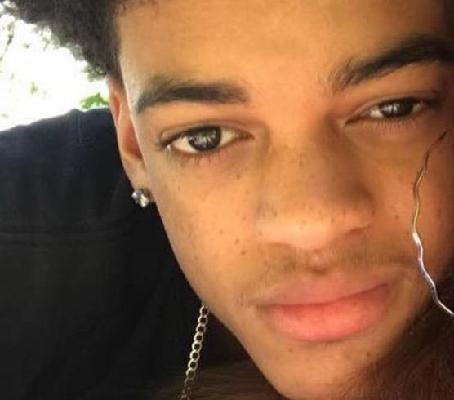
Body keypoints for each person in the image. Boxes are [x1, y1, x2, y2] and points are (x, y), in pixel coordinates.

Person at [1, 0, 454, 399]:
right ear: (133, 144)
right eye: (205, 137)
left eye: (395, 108)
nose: (310, 224)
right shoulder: (33, 245)